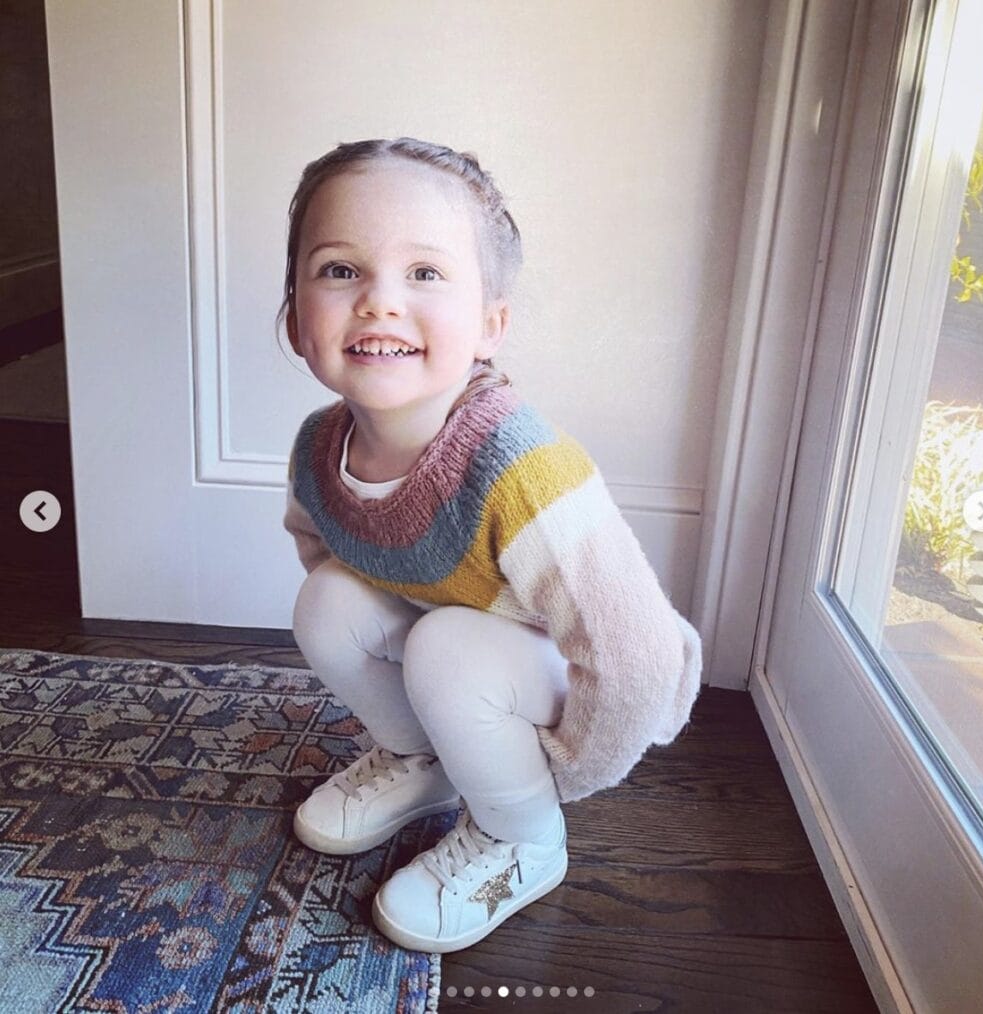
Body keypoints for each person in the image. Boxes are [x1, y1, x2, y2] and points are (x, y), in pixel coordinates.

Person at [280, 137, 702, 954]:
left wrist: (564, 769)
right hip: (460, 640)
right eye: (339, 270)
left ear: (489, 325)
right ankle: (421, 760)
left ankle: (523, 838)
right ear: (297, 318)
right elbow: (323, 547)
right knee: (328, 599)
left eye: (425, 274)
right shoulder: (315, 449)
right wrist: (425, 713)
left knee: (446, 650)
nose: (378, 302)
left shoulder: (521, 467)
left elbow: (637, 656)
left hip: (577, 675)